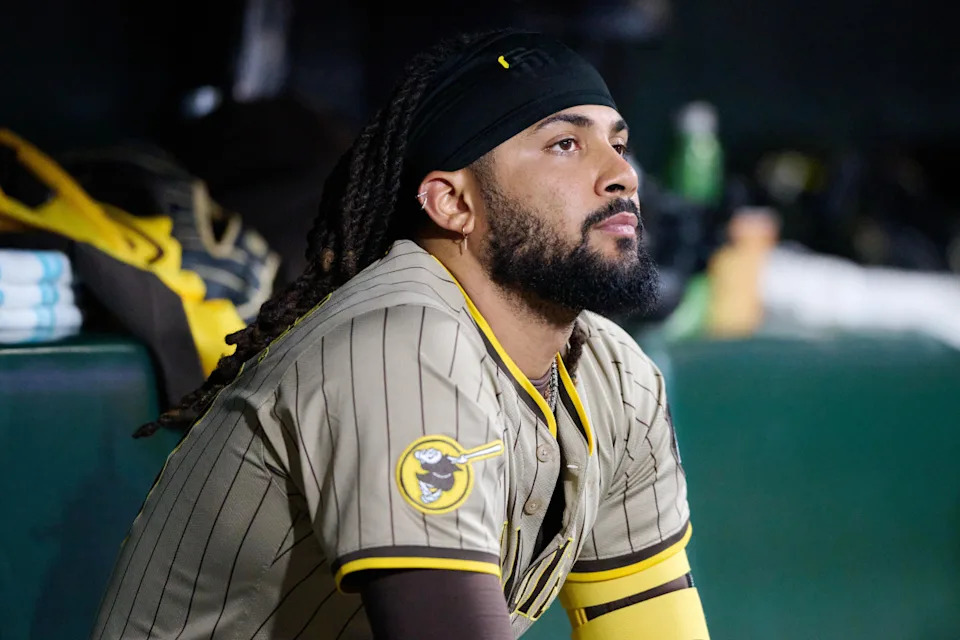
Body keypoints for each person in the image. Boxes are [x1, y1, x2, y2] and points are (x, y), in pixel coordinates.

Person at [92, 29, 710, 640]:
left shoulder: (615, 375)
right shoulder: (400, 348)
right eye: (565, 145)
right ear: (451, 204)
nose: (621, 174)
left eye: (618, 142)